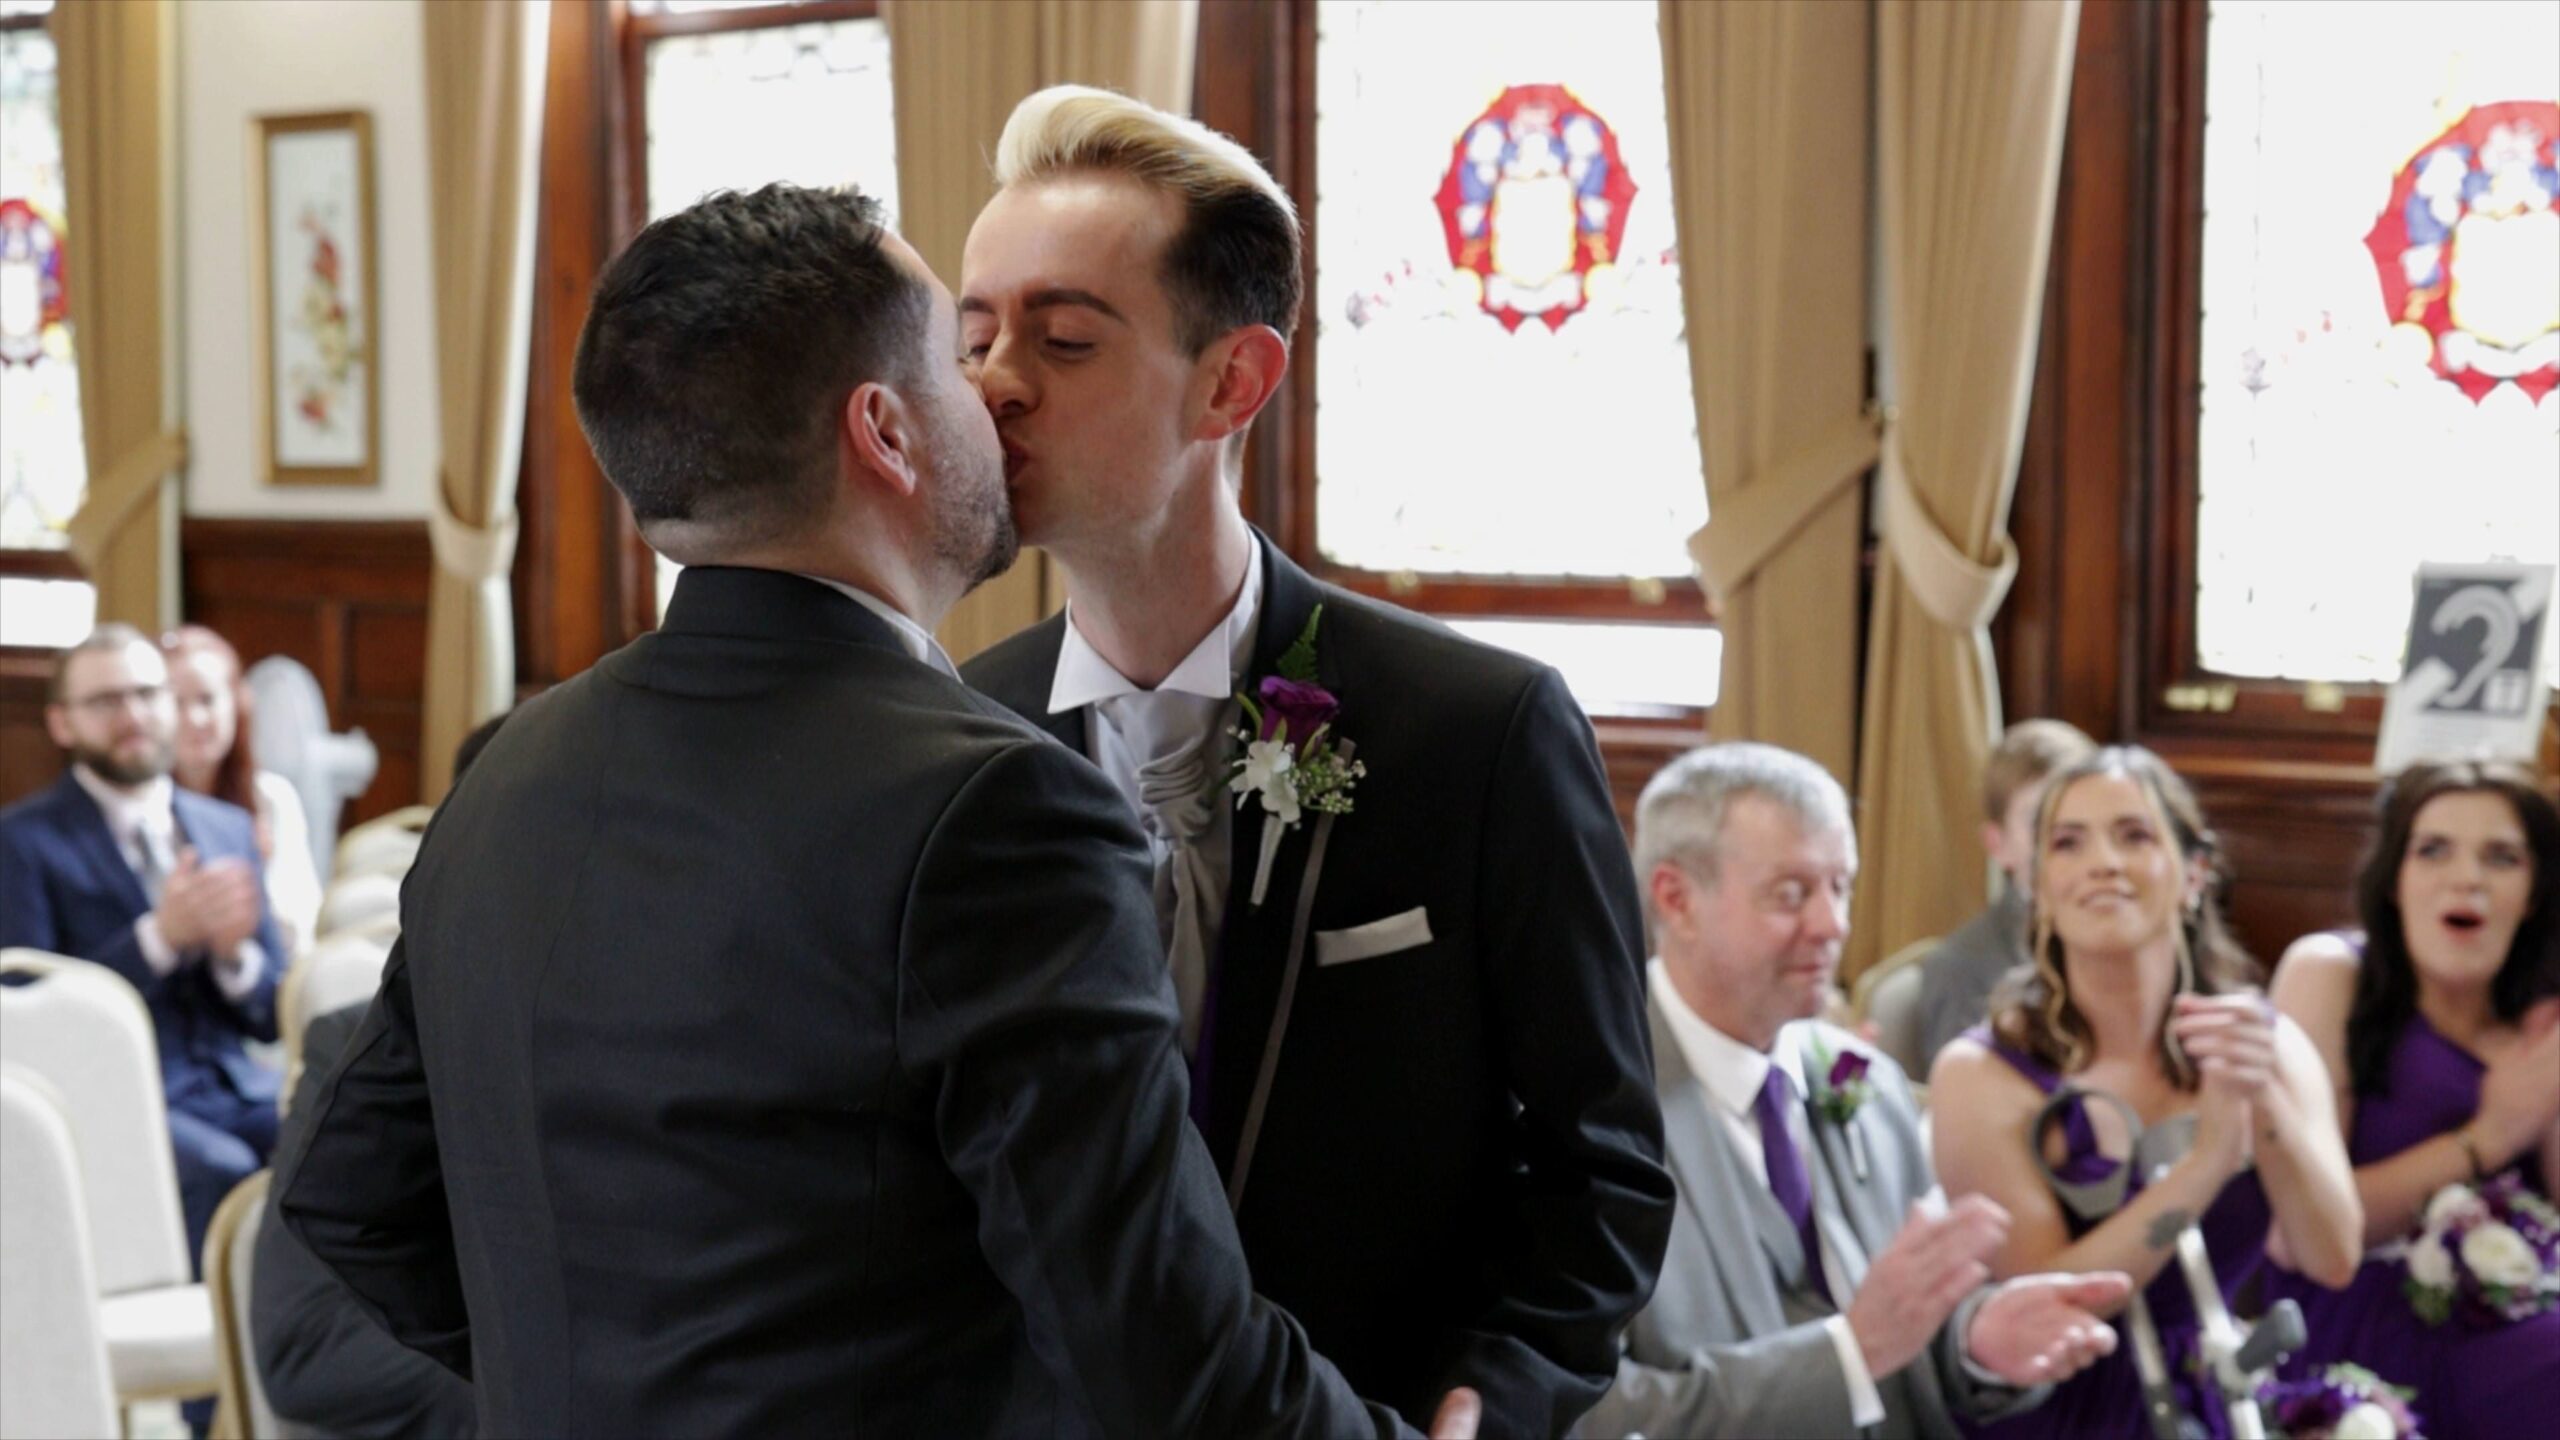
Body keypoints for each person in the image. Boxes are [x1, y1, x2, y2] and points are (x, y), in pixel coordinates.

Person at [275, 183, 1473, 1440]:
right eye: (962, 362)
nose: (1001, 396)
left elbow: (352, 1202)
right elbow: (1156, 1349)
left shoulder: (511, 773)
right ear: (886, 434)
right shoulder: (995, 811)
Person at [958, 85, 1674, 1436]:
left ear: (1233, 380)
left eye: (1061, 338)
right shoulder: (953, 735)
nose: (996, 384)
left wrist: (1495, 1399)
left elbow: (1605, 1168)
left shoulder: (1479, 729)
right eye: (973, 335)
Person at [1578, 743, 2130, 1440]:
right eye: (1791, 893)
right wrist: (1847, 1355)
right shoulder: (1584, 1113)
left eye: (1840, 886)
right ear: (1677, 899)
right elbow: (1595, 1415)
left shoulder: (1863, 1080)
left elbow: (1903, 1331)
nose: (1833, 925)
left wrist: (1974, 1340)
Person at [1929, 745, 2363, 1438]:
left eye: (2134, 835)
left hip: (2217, 1398)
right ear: (2038, 883)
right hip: (2061, 1411)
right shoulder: (1982, 1072)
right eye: (2069, 843)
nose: (2103, 862)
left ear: (2194, 873)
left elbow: (2331, 1255)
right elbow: (2049, 1301)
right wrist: (2207, 1164)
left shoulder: (2266, 1042)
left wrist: (2263, 1096)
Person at [2263, 759, 2560, 1440]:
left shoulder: (2539, 1019)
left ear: (2535, 891)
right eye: (2434, 850)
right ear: (2396, 880)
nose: (2468, 879)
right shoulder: (2330, 973)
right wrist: (2487, 1137)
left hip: (2518, 1305)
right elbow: (2295, 1234)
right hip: (2359, 1310)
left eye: (2502, 858)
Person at [0, 624, 289, 1264]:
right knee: (223, 1167)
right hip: (119, 1099)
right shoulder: (21, 843)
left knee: (331, 1135)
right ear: (61, 723)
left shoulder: (227, 826)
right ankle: (211, 1356)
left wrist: (233, 953)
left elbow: (272, 1013)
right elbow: (25, 1017)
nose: (132, 714)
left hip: (236, 1083)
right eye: (105, 702)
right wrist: (159, 939)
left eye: (147, 693)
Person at [1915, 720, 2095, 1065]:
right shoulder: (1962, 969)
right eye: (2038, 820)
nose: (2061, 837)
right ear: (1998, 845)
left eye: (2079, 818)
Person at [164, 623, 325, 960]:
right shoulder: (142, 809)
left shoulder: (272, 798)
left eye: (207, 699)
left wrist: (258, 884)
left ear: (236, 704)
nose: (195, 718)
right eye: (176, 703)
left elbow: (300, 934)